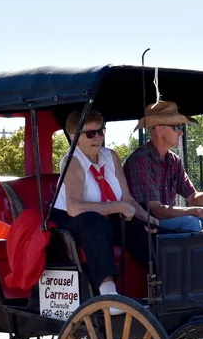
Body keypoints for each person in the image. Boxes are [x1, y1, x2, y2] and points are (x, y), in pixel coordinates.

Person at [51, 108, 154, 299]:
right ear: (74, 137)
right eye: (90, 133)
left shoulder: (110, 156)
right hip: (71, 222)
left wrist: (151, 221)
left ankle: (163, 286)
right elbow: (75, 208)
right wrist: (118, 207)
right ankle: (108, 293)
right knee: (93, 222)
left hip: (107, 218)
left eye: (101, 131)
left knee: (141, 229)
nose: (98, 138)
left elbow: (127, 199)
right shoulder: (72, 161)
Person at [124, 101, 203, 234]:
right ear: (159, 130)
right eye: (177, 127)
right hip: (148, 228)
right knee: (190, 221)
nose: (181, 133)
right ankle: (198, 255)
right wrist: (199, 211)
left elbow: (193, 197)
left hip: (169, 223)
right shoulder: (140, 160)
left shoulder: (174, 160)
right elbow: (157, 210)